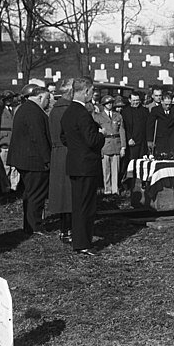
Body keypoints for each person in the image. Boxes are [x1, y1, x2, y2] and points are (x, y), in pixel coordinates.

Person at [60, 76, 106, 256]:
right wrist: (101, 134)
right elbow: (92, 140)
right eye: (92, 91)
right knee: (86, 206)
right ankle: (83, 243)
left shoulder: (68, 112)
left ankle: (79, 241)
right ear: (86, 91)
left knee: (79, 205)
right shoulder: (82, 114)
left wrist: (76, 147)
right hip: (86, 165)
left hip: (75, 163)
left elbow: (63, 138)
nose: (93, 94)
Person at [8, 84, 52, 236]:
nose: (48, 102)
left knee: (30, 193)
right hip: (34, 160)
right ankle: (35, 226)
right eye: (47, 99)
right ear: (39, 97)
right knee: (36, 194)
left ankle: (29, 225)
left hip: (25, 158)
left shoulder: (25, 109)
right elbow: (39, 137)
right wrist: (47, 159)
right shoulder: (34, 112)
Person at [47, 79, 74, 244]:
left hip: (58, 153)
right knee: (69, 194)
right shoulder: (68, 110)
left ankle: (65, 229)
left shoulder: (55, 110)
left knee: (63, 194)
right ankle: (68, 230)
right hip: (67, 153)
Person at [93, 95, 127, 195]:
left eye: (111, 103)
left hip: (116, 144)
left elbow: (122, 131)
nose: (110, 105)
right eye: (107, 103)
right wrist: (98, 148)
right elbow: (96, 132)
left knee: (116, 169)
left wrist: (123, 147)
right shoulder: (98, 117)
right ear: (104, 105)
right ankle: (107, 190)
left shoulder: (118, 116)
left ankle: (115, 190)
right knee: (106, 170)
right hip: (105, 145)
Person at [0, 90, 20, 194]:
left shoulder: (16, 109)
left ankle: (14, 187)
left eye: (10, 98)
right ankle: (6, 188)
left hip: (14, 142)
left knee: (15, 167)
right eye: (6, 99)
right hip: (3, 142)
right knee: (5, 167)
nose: (9, 100)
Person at [147, 92, 174, 157]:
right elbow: (150, 126)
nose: (168, 106)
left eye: (169, 104)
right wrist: (150, 140)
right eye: (166, 104)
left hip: (173, 139)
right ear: (162, 101)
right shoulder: (155, 110)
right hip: (160, 139)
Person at [122, 90, 150, 167]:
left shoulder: (145, 111)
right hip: (132, 142)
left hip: (142, 142)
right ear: (129, 100)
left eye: (137, 100)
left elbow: (148, 126)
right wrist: (129, 138)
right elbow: (124, 127)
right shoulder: (125, 112)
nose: (136, 102)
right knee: (132, 163)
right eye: (134, 100)